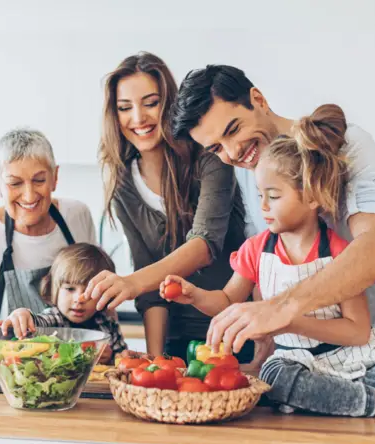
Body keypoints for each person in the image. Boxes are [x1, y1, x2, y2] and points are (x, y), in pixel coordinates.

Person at [161, 107, 375, 426]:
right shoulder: (256, 250)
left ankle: (326, 396)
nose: (262, 206)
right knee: (276, 375)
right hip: (297, 363)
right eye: (260, 194)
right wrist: (194, 295)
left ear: (313, 197)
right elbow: (226, 301)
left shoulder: (340, 255)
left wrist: (288, 320)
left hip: (351, 357)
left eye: (273, 196)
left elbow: (358, 332)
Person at [171, 64, 375, 353]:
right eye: (216, 149)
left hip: (372, 352)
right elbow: (264, 271)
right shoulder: (250, 170)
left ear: (258, 100)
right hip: (297, 358)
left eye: (234, 129)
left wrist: (282, 309)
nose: (233, 152)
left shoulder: (348, 146)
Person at [85, 52, 253, 361]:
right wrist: (156, 360)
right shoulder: (123, 184)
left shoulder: (210, 158)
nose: (138, 118)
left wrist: (130, 283)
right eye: (125, 108)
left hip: (236, 332)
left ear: (170, 105)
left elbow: (204, 245)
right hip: (176, 340)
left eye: (150, 103)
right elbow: (149, 291)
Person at [0, 127, 98, 365]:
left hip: (68, 370)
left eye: (39, 180)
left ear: (55, 177)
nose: (28, 196)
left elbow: (98, 289)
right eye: (15, 183)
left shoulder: (77, 216)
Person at [0, 243, 129, 364]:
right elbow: (37, 322)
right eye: (70, 289)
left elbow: (124, 360)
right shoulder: (54, 318)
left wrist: (112, 357)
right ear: (54, 290)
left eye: (90, 292)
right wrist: (23, 315)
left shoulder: (108, 324)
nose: (79, 299)